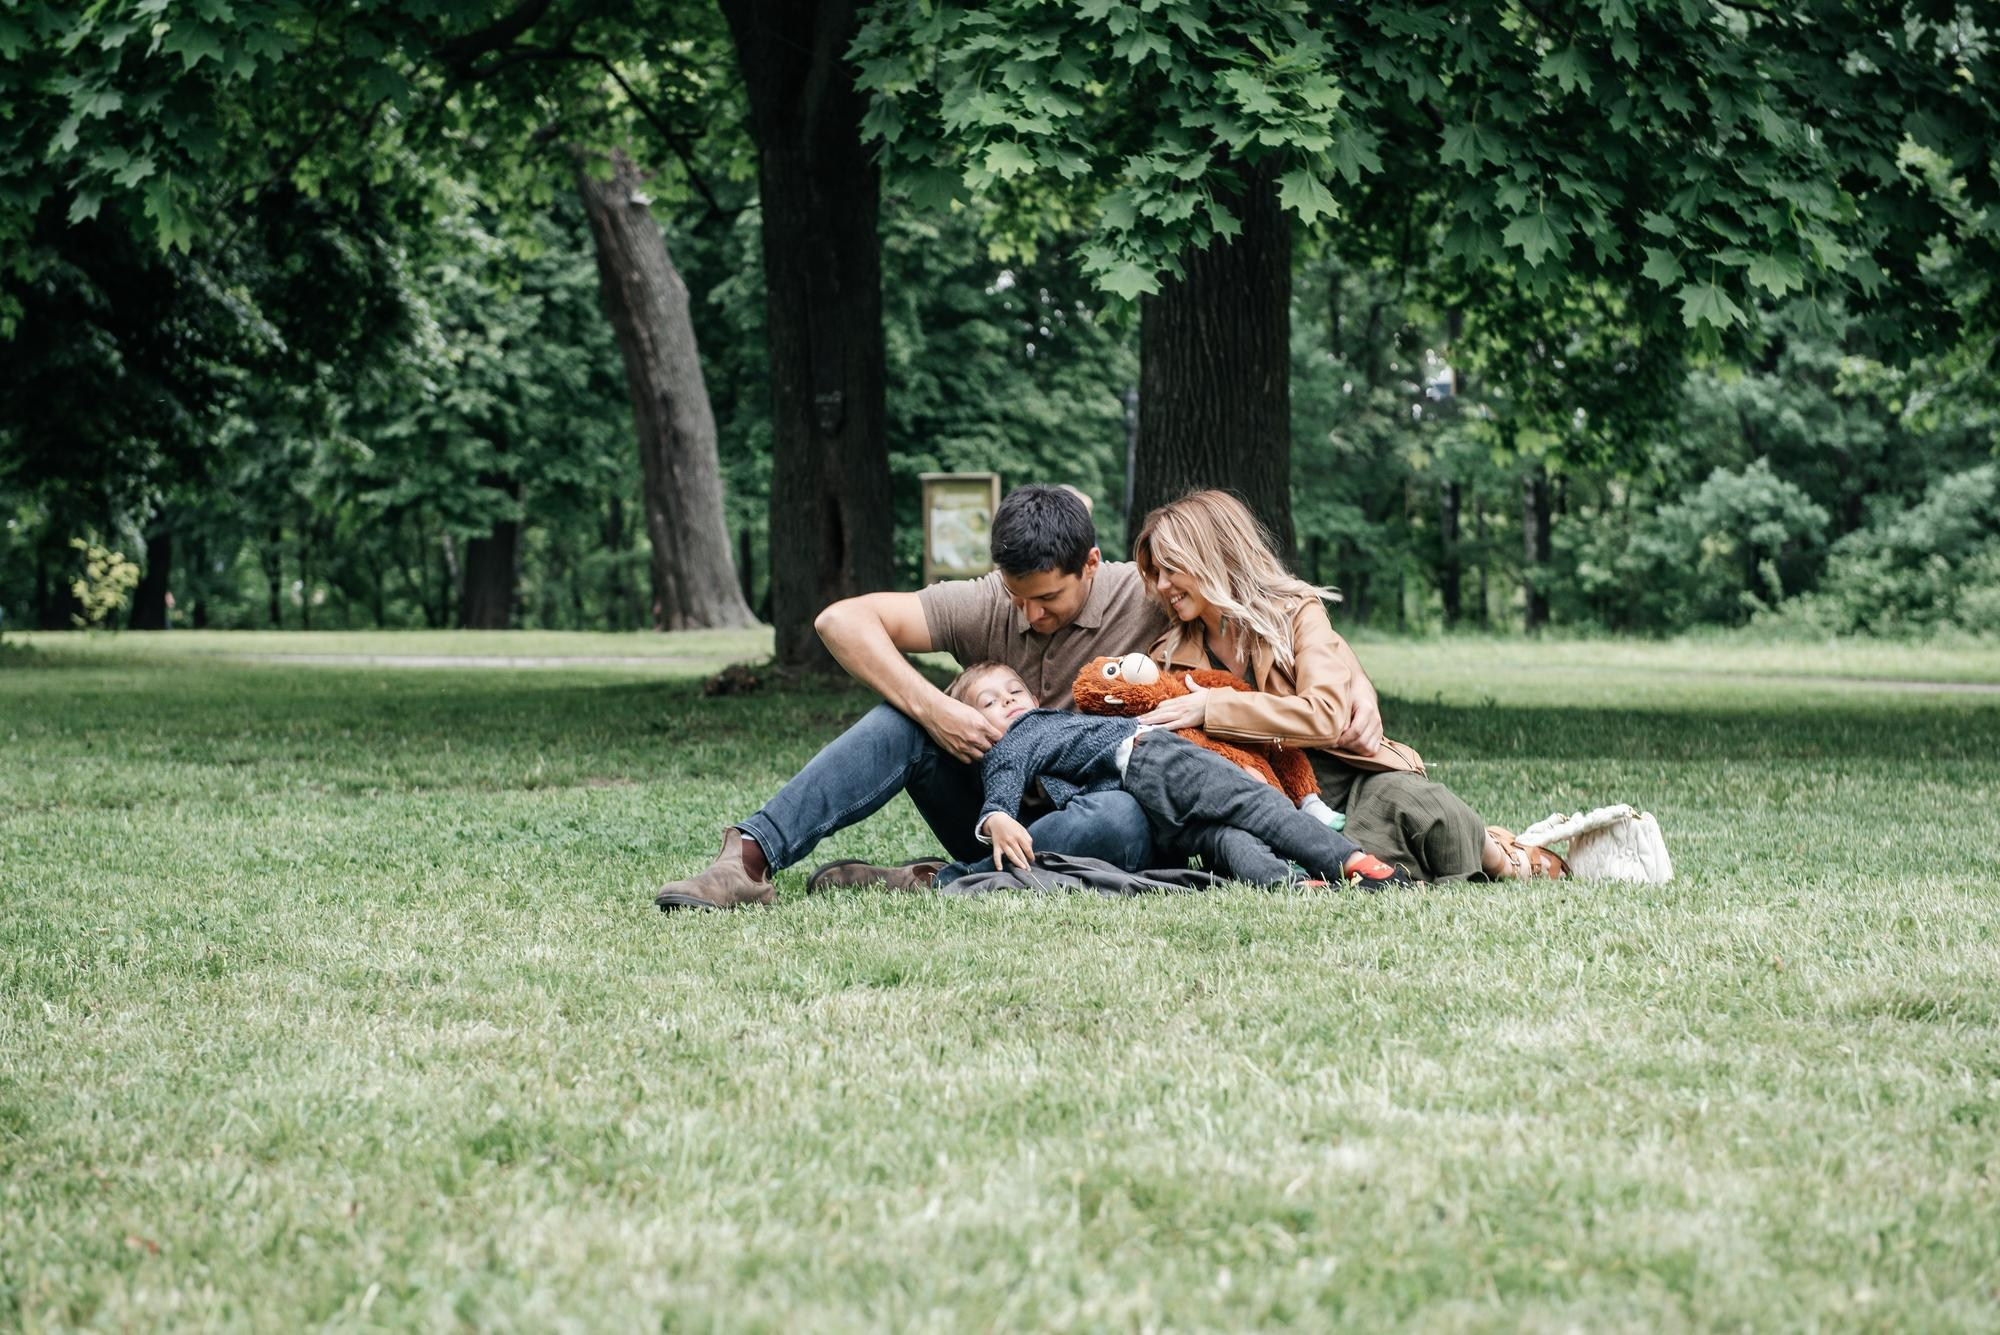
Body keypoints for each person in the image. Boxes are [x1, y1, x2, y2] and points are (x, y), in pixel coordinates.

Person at [654, 484, 1173, 909]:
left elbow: (1234, 601)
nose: (1030, 615)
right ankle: (747, 857)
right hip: (989, 815)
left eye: (1047, 599)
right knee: (902, 719)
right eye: (1018, 597)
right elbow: (840, 621)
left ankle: (938, 880)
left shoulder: (1145, 595)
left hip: (1090, 822)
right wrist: (936, 708)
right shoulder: (988, 600)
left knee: (1121, 820)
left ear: (1091, 564)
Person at [1130, 489, 1564, 883]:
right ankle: (1473, 851)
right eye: (1157, 572)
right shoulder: (1167, 655)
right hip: (1264, 800)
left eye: (1172, 568)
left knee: (1427, 810)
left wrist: (1214, 707)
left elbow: (1325, 714)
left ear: (1212, 556)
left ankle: (1505, 857)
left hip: (1344, 773)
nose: (1162, 586)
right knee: (1347, 861)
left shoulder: (1296, 612)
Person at [921, 661, 1409, 889]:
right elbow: (1004, 769)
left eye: (1015, 690)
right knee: (1252, 804)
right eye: (989, 701)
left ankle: (1289, 886)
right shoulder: (1020, 734)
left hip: (1150, 797)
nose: (1009, 702)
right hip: (1149, 756)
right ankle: (1352, 863)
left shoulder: (1051, 727)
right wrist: (997, 817)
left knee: (1223, 834)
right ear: (972, 723)